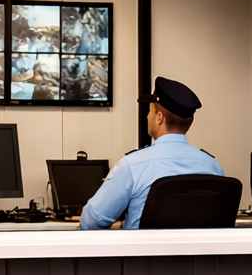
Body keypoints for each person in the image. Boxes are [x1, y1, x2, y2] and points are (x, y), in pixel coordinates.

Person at [81, 77, 224, 230]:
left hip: (142, 254)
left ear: (159, 118)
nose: (147, 116)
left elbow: (91, 222)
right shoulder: (213, 167)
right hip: (198, 253)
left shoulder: (132, 165)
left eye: (150, 111)